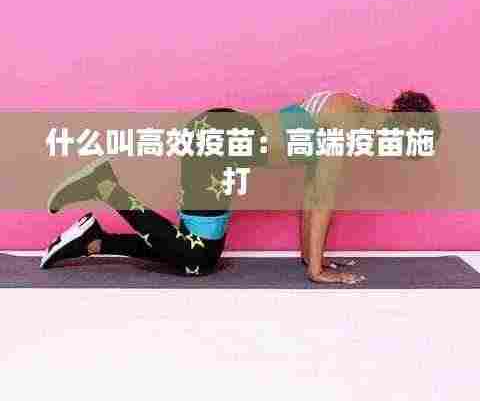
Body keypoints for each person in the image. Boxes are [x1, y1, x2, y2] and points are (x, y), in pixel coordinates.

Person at [40, 108, 268, 276]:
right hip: (223, 131)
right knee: (197, 259)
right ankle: (104, 187)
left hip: (222, 128)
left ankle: (97, 241)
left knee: (200, 254)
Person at [256, 89, 441, 285]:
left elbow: (312, 191)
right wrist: (317, 272)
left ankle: (311, 259)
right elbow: (323, 195)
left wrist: (312, 258)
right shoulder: (346, 118)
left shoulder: (356, 113)